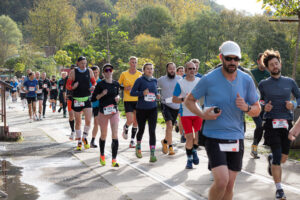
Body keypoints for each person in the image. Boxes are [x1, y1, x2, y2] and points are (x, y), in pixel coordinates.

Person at [185, 41, 260, 200]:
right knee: (221, 181)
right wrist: (203, 114)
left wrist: (246, 108)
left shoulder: (246, 80)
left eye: (236, 59)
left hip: (236, 137)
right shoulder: (209, 78)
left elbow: (257, 109)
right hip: (214, 136)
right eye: (229, 58)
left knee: (230, 184)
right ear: (221, 57)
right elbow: (189, 101)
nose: (232, 62)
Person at [259, 49, 300, 200]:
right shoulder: (264, 84)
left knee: (283, 158)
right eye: (271, 65)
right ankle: (279, 190)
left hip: (286, 124)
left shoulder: (289, 82)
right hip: (271, 123)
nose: (275, 66)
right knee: (278, 157)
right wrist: (264, 107)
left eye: (276, 63)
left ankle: (271, 159)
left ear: (280, 64)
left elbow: (299, 97)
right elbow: (260, 100)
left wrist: (294, 104)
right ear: (268, 68)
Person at [173, 62, 202, 169]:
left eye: (194, 68)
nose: (192, 70)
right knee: (189, 137)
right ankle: (189, 159)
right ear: (185, 70)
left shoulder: (199, 82)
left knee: (197, 138)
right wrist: (183, 99)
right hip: (186, 114)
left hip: (198, 113)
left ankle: (194, 150)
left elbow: (205, 95)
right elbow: (174, 99)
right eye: (190, 68)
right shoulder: (180, 83)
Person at [92, 63, 120, 167]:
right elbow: (93, 99)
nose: (108, 72)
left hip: (114, 111)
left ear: (112, 71)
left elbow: (117, 94)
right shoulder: (100, 85)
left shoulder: (116, 84)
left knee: (115, 134)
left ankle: (114, 159)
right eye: (106, 70)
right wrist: (102, 94)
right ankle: (102, 155)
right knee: (104, 134)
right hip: (103, 112)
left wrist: (118, 98)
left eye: (110, 70)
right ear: (103, 73)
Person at [130, 63, 159, 162]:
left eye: (151, 69)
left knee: (152, 131)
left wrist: (157, 95)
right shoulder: (139, 80)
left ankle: (152, 153)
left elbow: (155, 92)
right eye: (148, 69)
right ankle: (138, 146)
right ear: (144, 70)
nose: (150, 70)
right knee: (141, 129)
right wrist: (142, 93)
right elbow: (132, 93)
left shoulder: (155, 80)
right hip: (141, 109)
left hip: (153, 109)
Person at [66, 56, 96, 150]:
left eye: (85, 63)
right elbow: (68, 86)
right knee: (78, 121)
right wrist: (73, 87)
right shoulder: (73, 72)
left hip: (87, 98)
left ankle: (85, 137)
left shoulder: (89, 71)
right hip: (76, 99)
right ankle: (79, 141)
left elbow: (94, 82)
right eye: (82, 63)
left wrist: (93, 87)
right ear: (77, 63)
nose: (84, 65)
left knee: (88, 120)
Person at [158, 62, 182, 155]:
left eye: (173, 68)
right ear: (167, 70)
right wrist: (157, 93)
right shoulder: (161, 80)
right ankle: (171, 147)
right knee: (169, 125)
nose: (172, 70)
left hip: (176, 106)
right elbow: (152, 85)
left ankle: (164, 141)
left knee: (170, 128)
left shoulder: (180, 79)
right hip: (165, 104)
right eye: (170, 69)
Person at [118, 56, 142, 148]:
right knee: (130, 120)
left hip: (138, 100)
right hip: (128, 99)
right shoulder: (124, 74)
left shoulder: (140, 74)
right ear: (129, 63)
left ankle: (132, 140)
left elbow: (143, 86)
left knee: (136, 122)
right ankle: (126, 127)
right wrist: (124, 88)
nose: (134, 64)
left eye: (135, 62)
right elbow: (118, 84)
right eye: (132, 62)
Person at [250, 53, 270, 158]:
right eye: (261, 60)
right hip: (253, 104)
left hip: (265, 105)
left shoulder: (268, 74)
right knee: (259, 125)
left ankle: (254, 147)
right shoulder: (251, 73)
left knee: (261, 127)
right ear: (257, 61)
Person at [90, 66, 101, 148]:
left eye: (96, 72)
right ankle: (81, 138)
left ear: (99, 72)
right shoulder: (87, 81)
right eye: (93, 72)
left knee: (96, 123)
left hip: (98, 105)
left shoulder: (101, 82)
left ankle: (92, 140)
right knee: (87, 123)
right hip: (88, 105)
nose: (95, 74)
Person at [65, 65, 76, 140]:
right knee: (71, 115)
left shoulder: (79, 78)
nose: (72, 72)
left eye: (74, 70)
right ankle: (73, 131)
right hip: (69, 98)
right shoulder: (67, 78)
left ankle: (77, 131)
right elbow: (64, 88)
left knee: (77, 116)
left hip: (78, 98)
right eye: (71, 70)